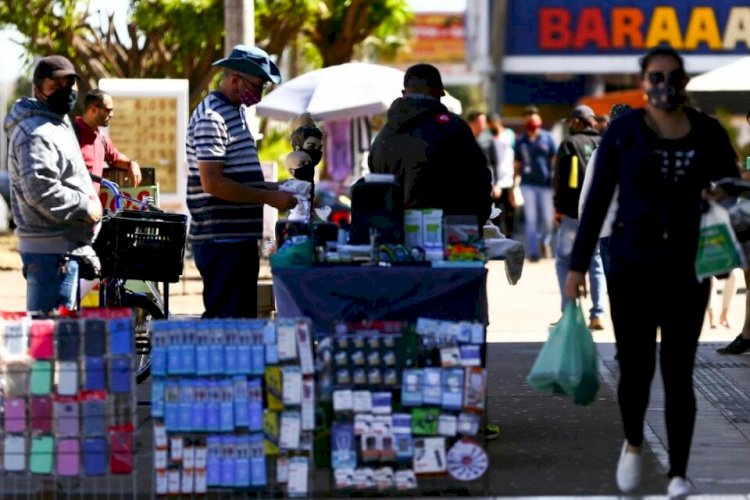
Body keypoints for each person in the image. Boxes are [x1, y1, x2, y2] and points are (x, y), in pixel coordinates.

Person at [564, 46, 740, 496]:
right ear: (644, 82)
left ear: (684, 80)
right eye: (655, 76)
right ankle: (635, 441)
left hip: (687, 265)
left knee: (679, 371)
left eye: (673, 76)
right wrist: (578, 265)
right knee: (637, 369)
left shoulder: (707, 131)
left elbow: (733, 182)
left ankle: (679, 472)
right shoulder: (623, 130)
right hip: (631, 265)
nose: (665, 85)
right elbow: (599, 197)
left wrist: (723, 193)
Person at [186, 45, 297, 318]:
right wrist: (269, 198)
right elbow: (213, 183)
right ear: (234, 80)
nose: (259, 94)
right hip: (221, 242)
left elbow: (239, 176)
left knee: (242, 324)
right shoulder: (212, 118)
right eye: (257, 86)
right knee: (227, 325)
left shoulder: (235, 113)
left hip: (239, 241)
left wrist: (278, 188)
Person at [3, 55, 102, 312]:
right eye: (55, 84)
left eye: (70, 83)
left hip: (63, 248)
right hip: (51, 253)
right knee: (49, 340)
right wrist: (85, 206)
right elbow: (39, 189)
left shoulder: (57, 120)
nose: (65, 90)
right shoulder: (35, 132)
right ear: (38, 89)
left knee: (59, 337)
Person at [368, 63, 492, 227]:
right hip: (448, 236)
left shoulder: (383, 136)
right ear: (439, 92)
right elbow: (479, 180)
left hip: (395, 241)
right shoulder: (453, 127)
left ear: (404, 93)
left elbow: (376, 185)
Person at [552, 105, 604, 329]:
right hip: (600, 213)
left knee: (564, 260)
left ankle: (570, 313)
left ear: (576, 122)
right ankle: (597, 314)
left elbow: (565, 180)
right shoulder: (605, 143)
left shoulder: (569, 144)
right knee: (596, 262)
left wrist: (559, 208)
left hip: (573, 213)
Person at [578, 103, 633, 278]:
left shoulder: (600, 153)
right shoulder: (645, 151)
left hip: (609, 232)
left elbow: (587, 197)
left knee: (616, 292)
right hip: (637, 231)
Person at [75, 89, 142, 190]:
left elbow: (115, 158)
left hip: (92, 204)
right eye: (108, 110)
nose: (111, 114)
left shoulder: (101, 138)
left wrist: (132, 164)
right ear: (93, 109)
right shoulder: (71, 134)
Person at [514, 105, 557, 261]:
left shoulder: (548, 138)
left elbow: (555, 159)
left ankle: (543, 241)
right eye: (529, 120)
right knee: (531, 219)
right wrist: (514, 186)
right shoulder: (521, 141)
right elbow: (517, 164)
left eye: (534, 119)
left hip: (546, 184)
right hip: (527, 184)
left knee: (547, 219)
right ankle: (533, 252)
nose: (531, 122)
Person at [488, 112, 517, 236]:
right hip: (496, 181)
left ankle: (510, 237)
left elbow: (515, 157)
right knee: (496, 213)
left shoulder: (509, 135)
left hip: (509, 180)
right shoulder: (489, 138)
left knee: (510, 213)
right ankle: (498, 238)